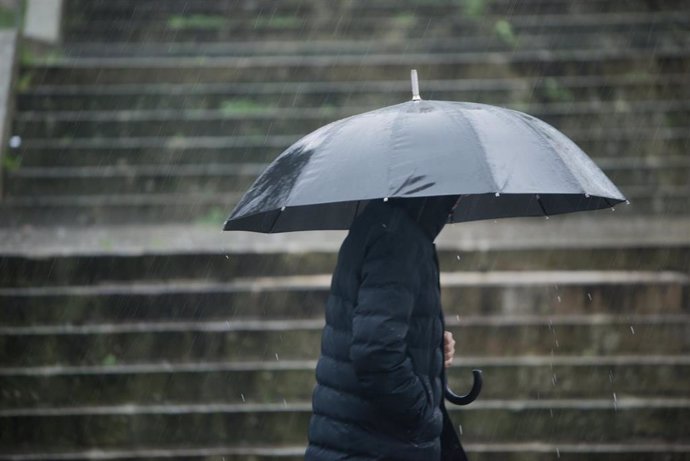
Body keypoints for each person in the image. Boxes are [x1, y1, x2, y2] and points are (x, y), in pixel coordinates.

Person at [305, 195, 468, 461]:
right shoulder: (399, 237)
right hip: (377, 444)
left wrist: (429, 346)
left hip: (359, 440)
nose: (462, 198)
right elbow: (376, 352)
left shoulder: (385, 223)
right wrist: (419, 414)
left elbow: (377, 327)